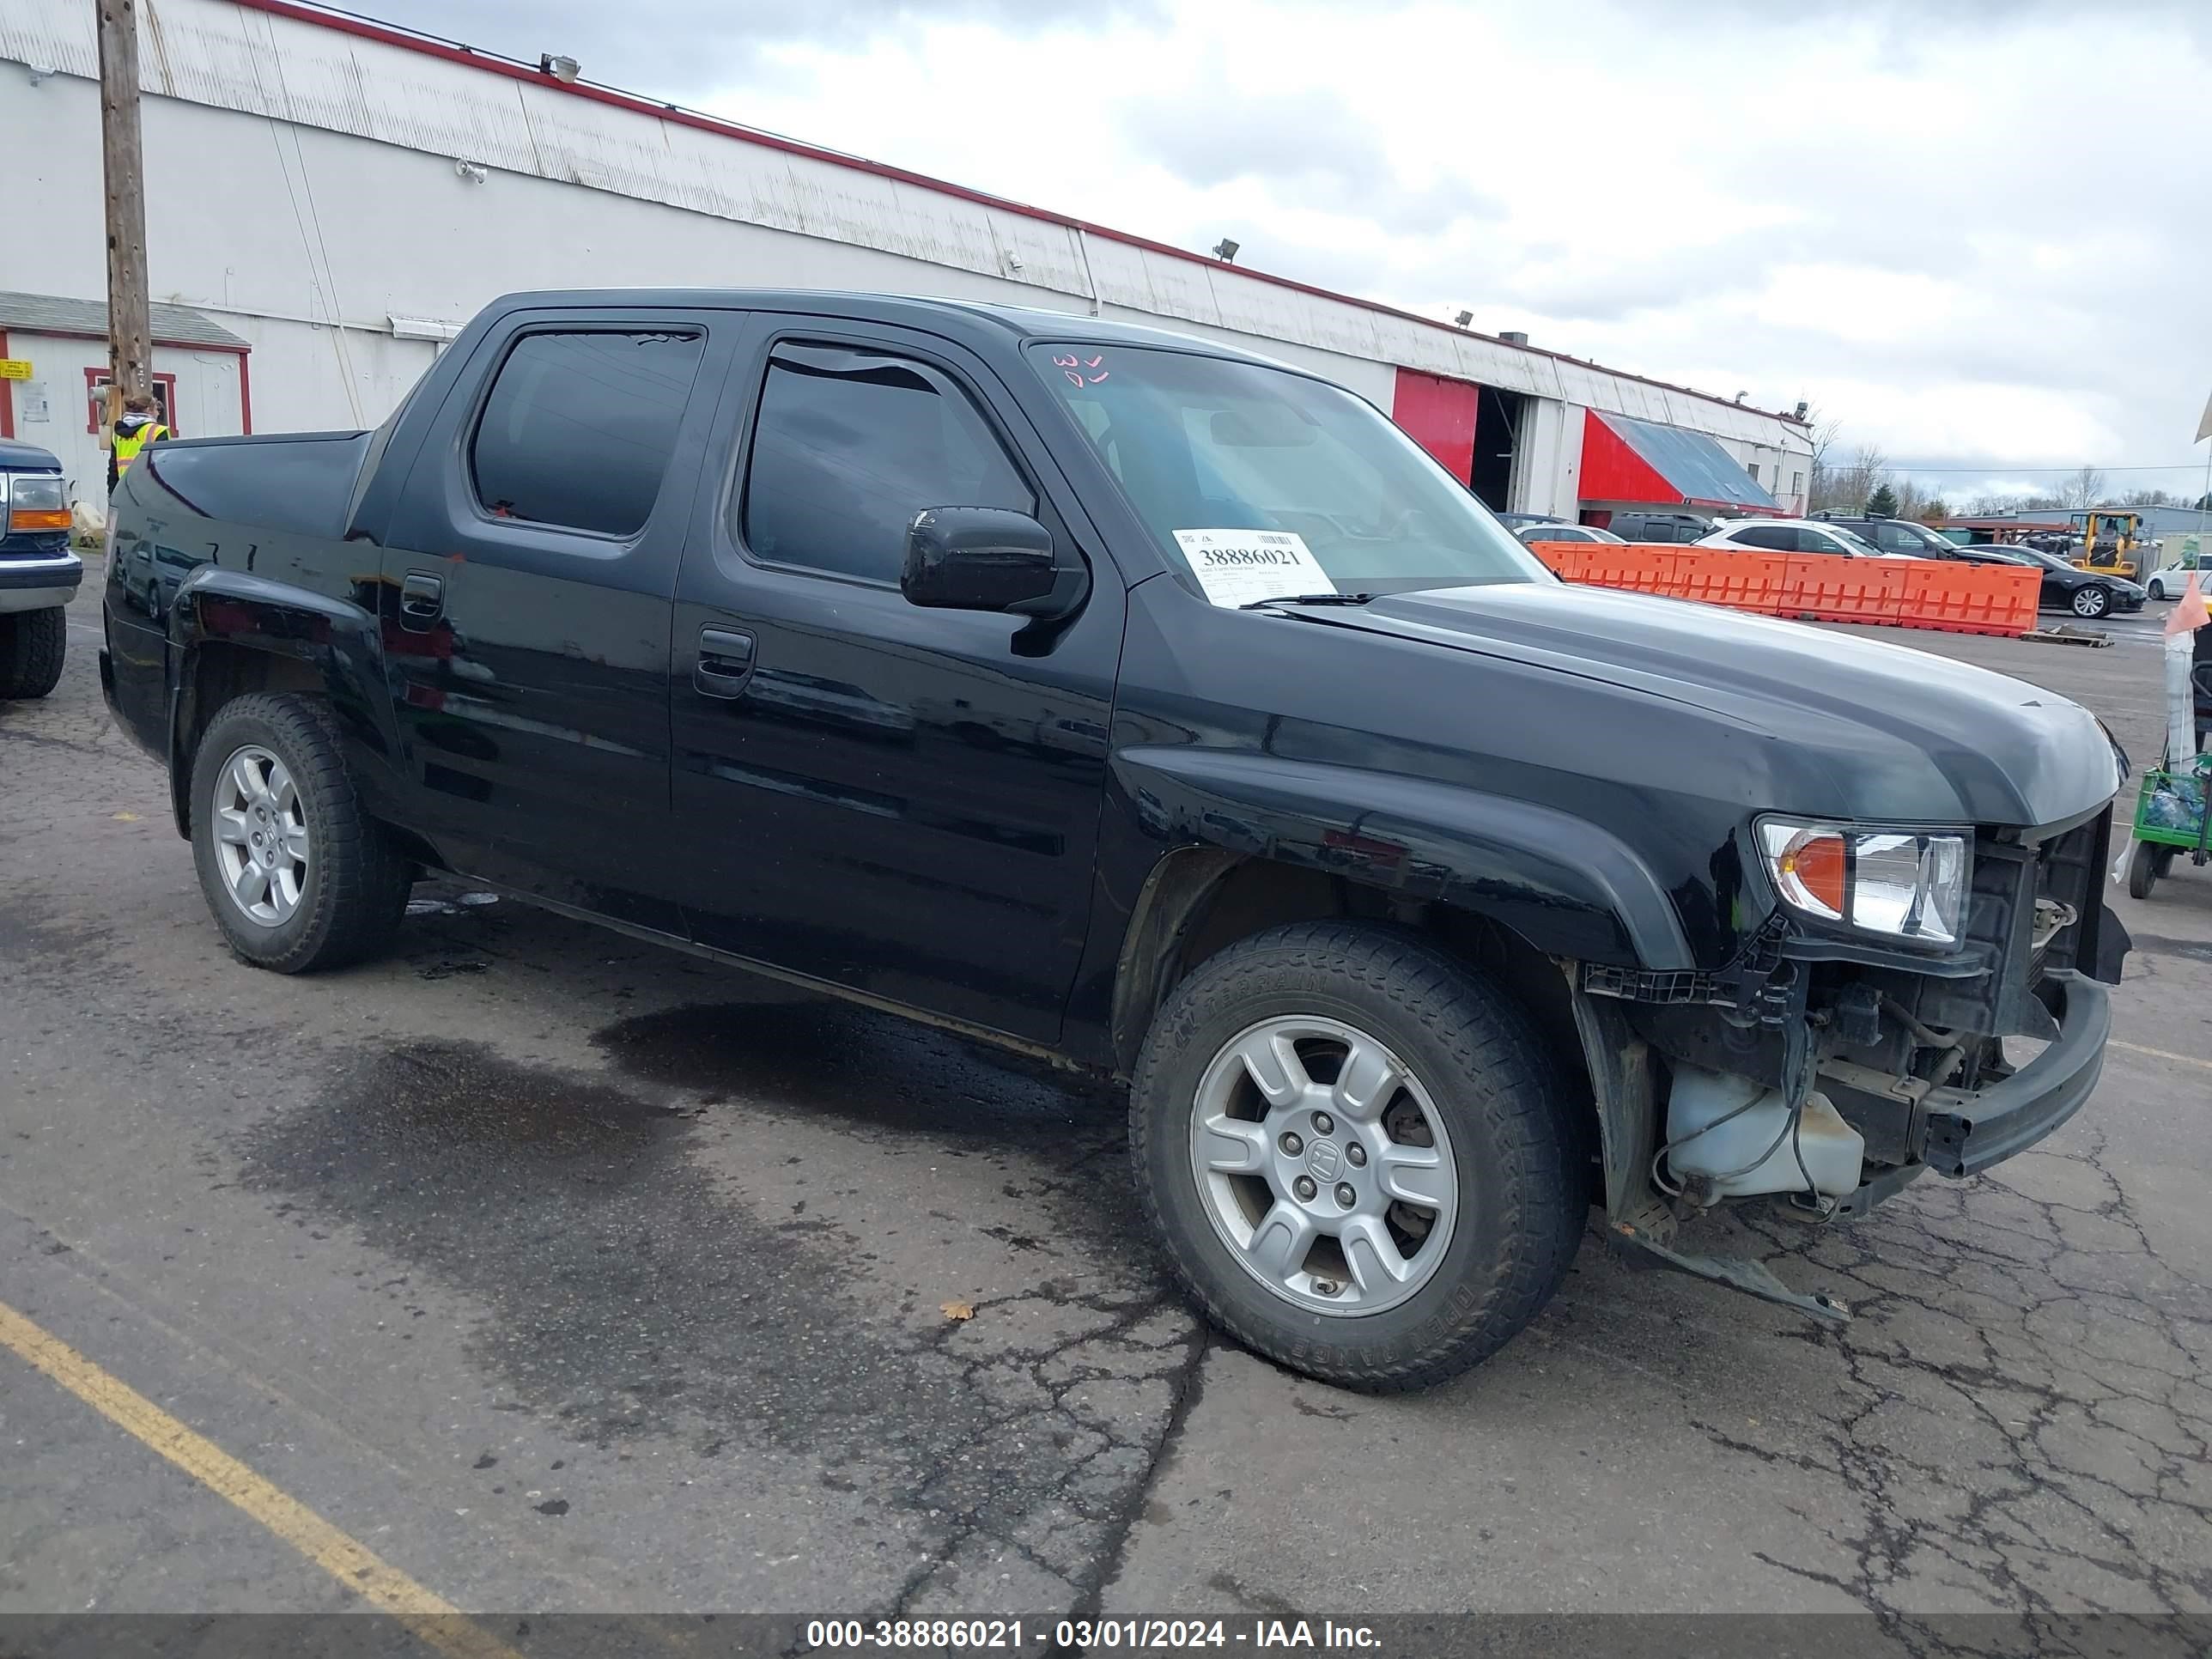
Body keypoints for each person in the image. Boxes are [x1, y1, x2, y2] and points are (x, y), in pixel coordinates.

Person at [108, 392, 169, 492]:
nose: (158, 413)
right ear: (149, 410)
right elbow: (164, 467)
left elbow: (113, 469)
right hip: (150, 492)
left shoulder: (117, 434)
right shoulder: (158, 431)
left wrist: (112, 494)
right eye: (156, 409)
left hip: (124, 492)